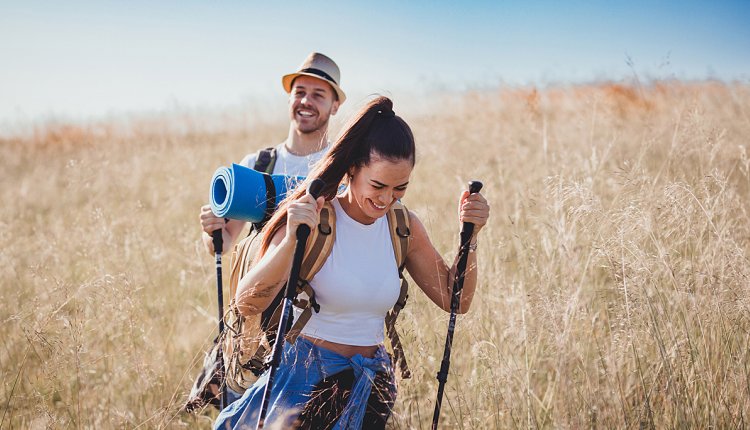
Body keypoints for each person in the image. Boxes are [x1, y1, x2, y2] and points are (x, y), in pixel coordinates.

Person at [213, 96, 491, 429]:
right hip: (304, 387)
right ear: (352, 168)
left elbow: (455, 300)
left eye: (400, 188)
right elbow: (246, 302)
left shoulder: (403, 226)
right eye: (378, 185)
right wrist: (290, 241)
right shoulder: (312, 216)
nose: (386, 199)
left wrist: (470, 237)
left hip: (370, 388)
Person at [200, 52, 346, 255]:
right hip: (268, 287)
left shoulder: (344, 167)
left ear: (335, 106)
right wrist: (211, 230)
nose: (305, 101)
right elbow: (223, 244)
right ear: (289, 99)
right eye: (299, 92)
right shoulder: (257, 165)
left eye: (318, 95)